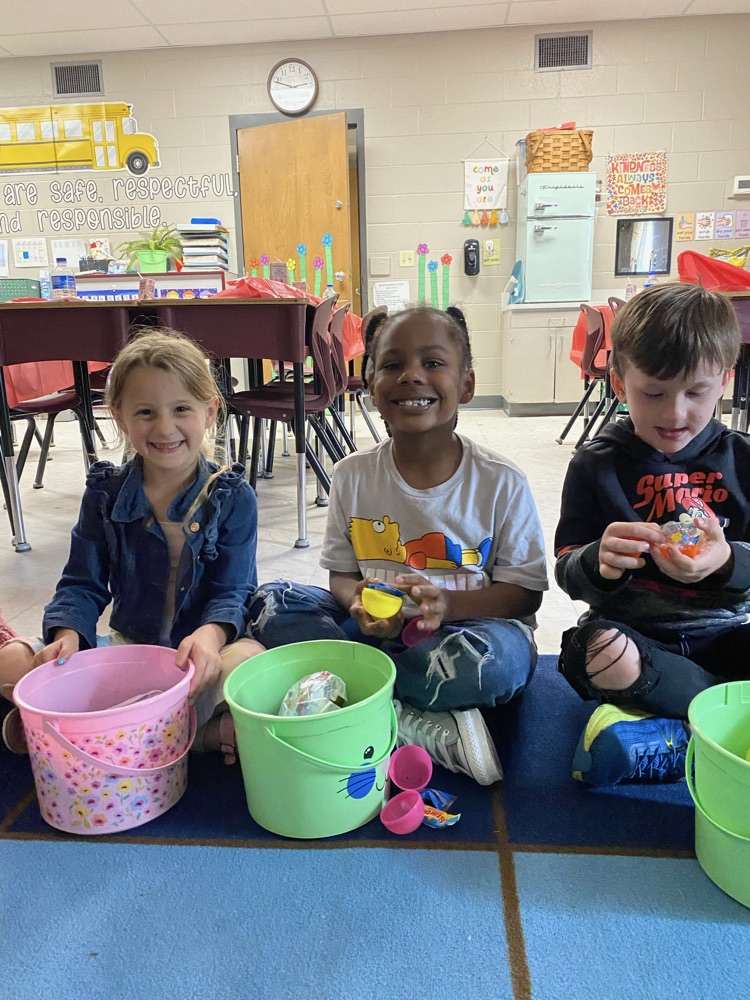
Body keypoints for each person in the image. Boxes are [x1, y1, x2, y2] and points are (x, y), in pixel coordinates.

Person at [246, 306, 548, 785]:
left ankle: (360, 699)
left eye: (432, 363)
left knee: (498, 665)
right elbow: (341, 576)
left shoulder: (501, 481)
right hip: (376, 631)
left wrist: (447, 606)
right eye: (391, 365)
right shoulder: (351, 475)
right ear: (369, 384)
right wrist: (358, 601)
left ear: (466, 384)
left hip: (467, 633)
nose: (411, 376)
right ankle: (407, 716)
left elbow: (525, 593)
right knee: (270, 605)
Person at [0, 328, 262, 759]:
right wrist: (68, 636)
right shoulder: (105, 495)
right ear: (118, 416)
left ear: (210, 411)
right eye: (145, 412)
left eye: (181, 409)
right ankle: (172, 738)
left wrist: (211, 638)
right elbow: (82, 583)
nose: (165, 427)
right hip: (131, 655)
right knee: (13, 658)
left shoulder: (233, 497)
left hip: (200, 662)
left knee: (249, 662)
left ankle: (94, 737)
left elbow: (233, 591)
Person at [555, 283, 748, 785]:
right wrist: (599, 561)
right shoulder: (597, 464)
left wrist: (726, 562)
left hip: (729, 636)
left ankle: (670, 732)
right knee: (596, 651)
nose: (675, 413)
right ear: (619, 384)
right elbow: (567, 566)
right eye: (654, 393)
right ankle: (718, 719)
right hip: (637, 639)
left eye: (697, 392)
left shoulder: (742, 460)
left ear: (725, 380)